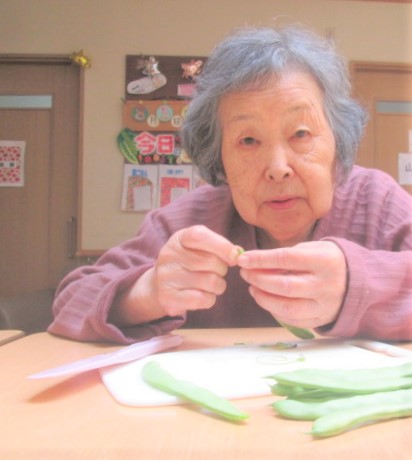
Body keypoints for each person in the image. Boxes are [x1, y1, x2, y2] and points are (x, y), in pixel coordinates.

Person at [49, 25, 412, 344]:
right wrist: (148, 292)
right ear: (218, 157)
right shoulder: (188, 223)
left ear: (338, 142)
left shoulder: (376, 202)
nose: (278, 169)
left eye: (301, 134)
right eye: (248, 141)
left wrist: (357, 287)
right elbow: (70, 301)